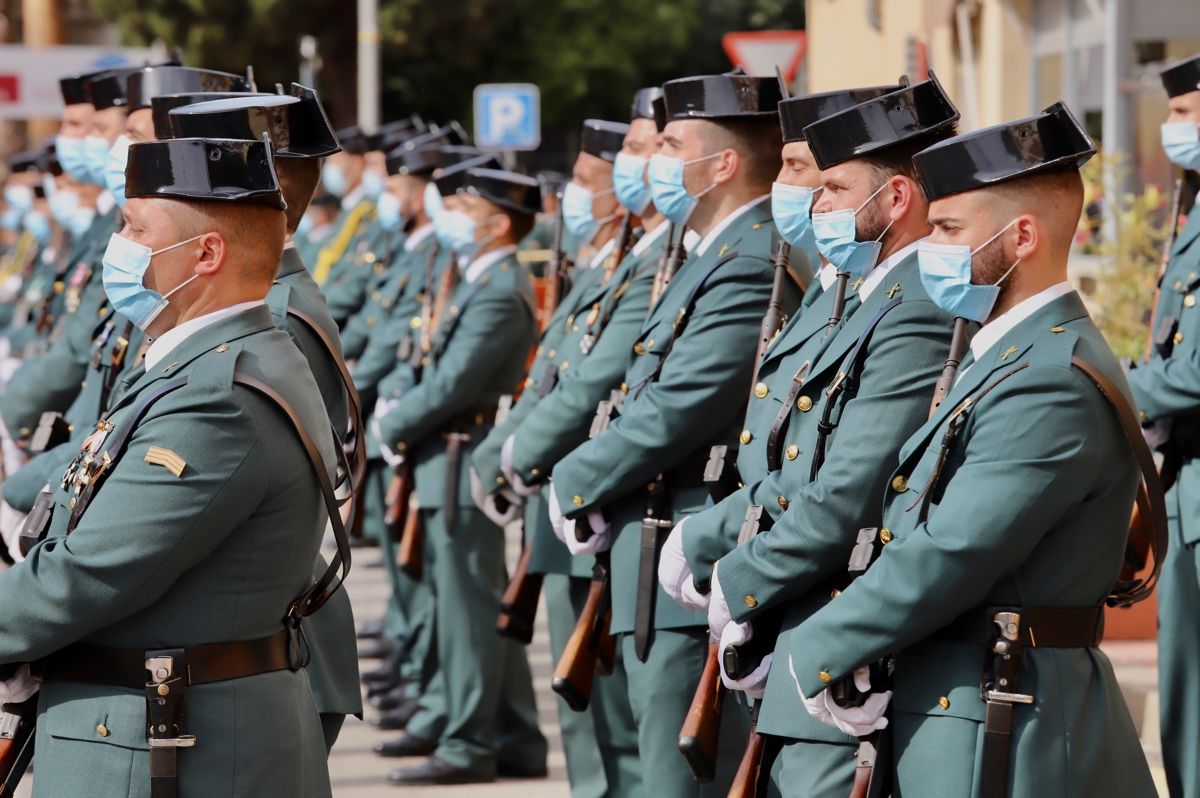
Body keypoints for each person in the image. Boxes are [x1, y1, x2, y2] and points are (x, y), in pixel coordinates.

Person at [788, 102, 1158, 798]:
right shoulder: (1005, 357)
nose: (933, 248)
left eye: (950, 230)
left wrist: (820, 644)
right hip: (969, 703)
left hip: (1006, 722)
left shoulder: (1048, 380)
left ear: (1021, 237)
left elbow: (954, 549)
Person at [0, 135, 341, 797]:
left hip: (168, 756)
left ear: (206, 253)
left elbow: (88, 574)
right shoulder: (205, 363)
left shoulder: (217, 398)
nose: (116, 245)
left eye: (133, 228)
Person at [664, 76, 961, 794]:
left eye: (832, 187)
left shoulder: (915, 304)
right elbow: (781, 457)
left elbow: (843, 489)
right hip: (796, 611)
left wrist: (729, 567)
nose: (816, 204)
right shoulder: (860, 293)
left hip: (835, 620)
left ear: (895, 198)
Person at [547, 71, 797, 793]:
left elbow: (676, 406)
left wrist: (574, 478)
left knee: (675, 778)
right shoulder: (707, 254)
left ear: (720, 163)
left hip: (682, 550)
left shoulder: (748, 260)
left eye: (668, 143)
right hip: (647, 543)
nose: (652, 159)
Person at [473, 111, 652, 798]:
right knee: (586, 721)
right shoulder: (601, 268)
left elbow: (588, 388)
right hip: (562, 504)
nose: (569, 196)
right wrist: (505, 454)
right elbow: (547, 376)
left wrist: (512, 459)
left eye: (584, 180)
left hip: (593, 501)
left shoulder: (641, 273)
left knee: (617, 726)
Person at [372, 167, 548, 785]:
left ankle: (471, 742)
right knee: (466, 604)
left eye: (465, 206)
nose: (451, 212)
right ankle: (516, 736)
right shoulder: (479, 279)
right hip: (441, 457)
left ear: (499, 222)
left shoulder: (501, 288)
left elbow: (452, 386)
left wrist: (387, 428)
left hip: (460, 460)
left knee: (468, 611)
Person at [1127, 51, 1200, 798]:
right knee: (1185, 693)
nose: (1171, 127)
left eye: (1184, 112)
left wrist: (1110, 380)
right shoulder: (1193, 207)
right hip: (1182, 479)